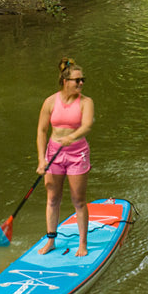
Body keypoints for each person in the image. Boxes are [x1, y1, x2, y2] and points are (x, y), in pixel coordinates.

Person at [36, 57, 93, 256]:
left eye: (82, 80)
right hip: (54, 154)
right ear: (64, 82)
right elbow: (42, 131)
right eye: (77, 80)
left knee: (78, 200)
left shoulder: (86, 102)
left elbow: (86, 126)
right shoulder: (50, 102)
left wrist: (73, 136)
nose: (81, 83)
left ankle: (83, 244)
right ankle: (51, 241)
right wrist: (41, 160)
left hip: (77, 154)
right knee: (52, 198)